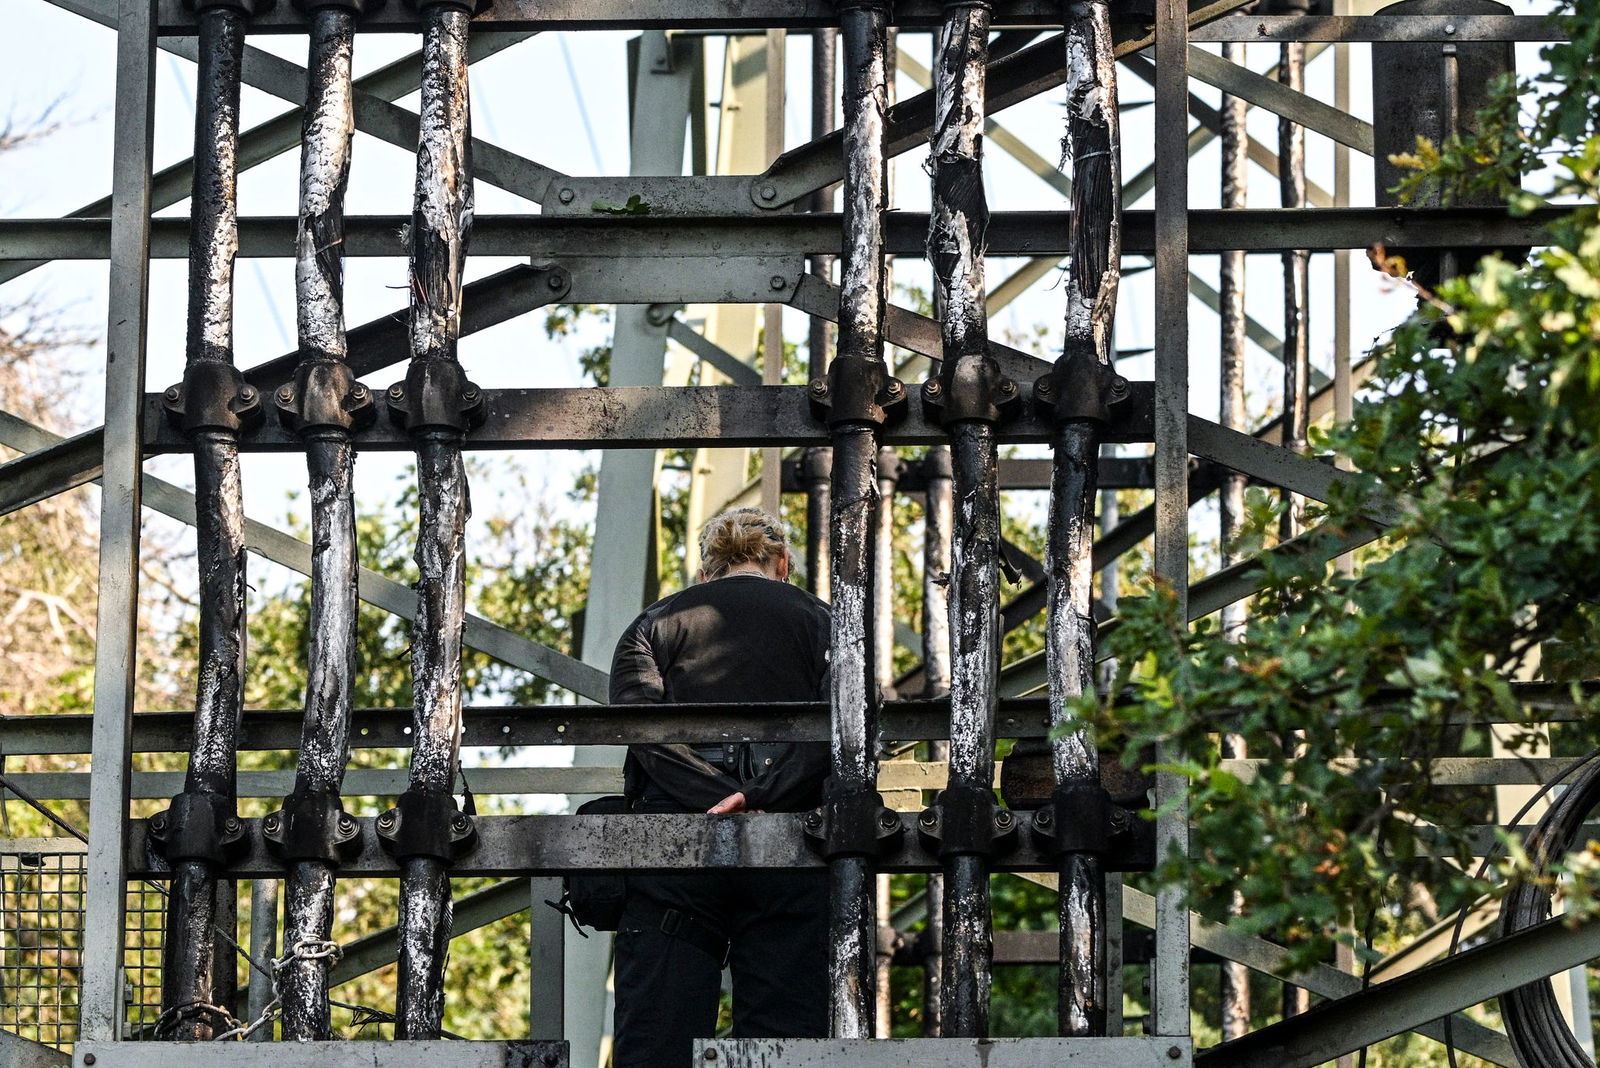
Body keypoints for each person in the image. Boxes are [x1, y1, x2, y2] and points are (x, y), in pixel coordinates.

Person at [609, 506, 832, 1068]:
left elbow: (643, 733)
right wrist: (758, 796)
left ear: (705, 573)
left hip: (676, 850)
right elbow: (842, 731)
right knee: (786, 1046)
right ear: (782, 563)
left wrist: (715, 796)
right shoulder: (828, 624)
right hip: (792, 845)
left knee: (658, 1042)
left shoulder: (652, 625)